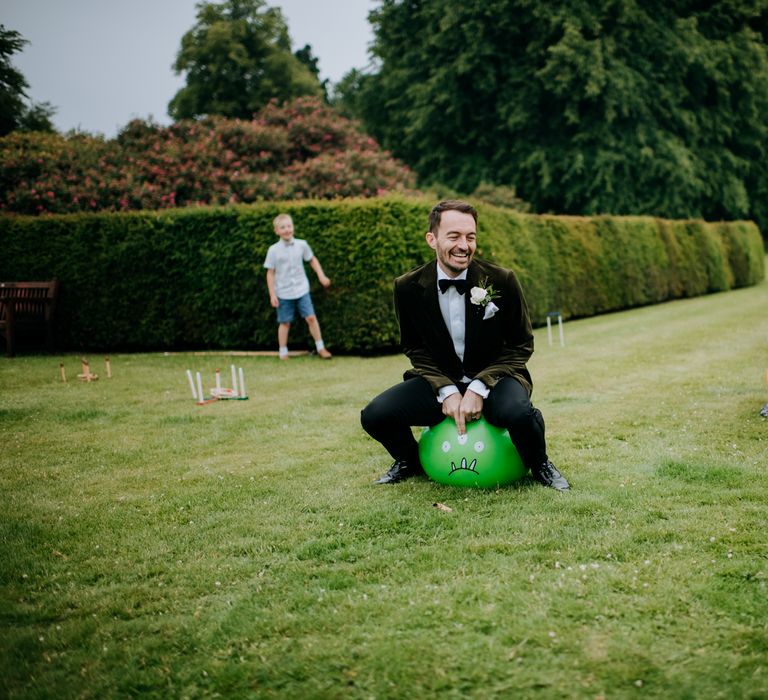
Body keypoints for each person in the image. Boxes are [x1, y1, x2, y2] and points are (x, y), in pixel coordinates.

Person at [360, 199, 570, 491]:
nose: (464, 245)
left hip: (495, 379)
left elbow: (521, 344)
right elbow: (415, 348)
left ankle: (540, 464)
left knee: (519, 413)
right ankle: (410, 461)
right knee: (375, 415)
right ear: (431, 239)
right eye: (454, 236)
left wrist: (479, 386)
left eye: (470, 237)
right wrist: (445, 390)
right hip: (440, 381)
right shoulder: (407, 287)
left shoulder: (502, 280)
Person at [264, 213, 332, 360]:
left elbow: (312, 260)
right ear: (276, 231)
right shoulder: (273, 250)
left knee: (311, 318)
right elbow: (270, 273)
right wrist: (272, 294)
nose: (287, 229)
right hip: (283, 292)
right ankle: (283, 352)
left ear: (293, 227)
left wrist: (321, 275)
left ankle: (321, 348)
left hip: (302, 290)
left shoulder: (302, 245)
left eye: (289, 226)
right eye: (283, 227)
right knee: (285, 323)